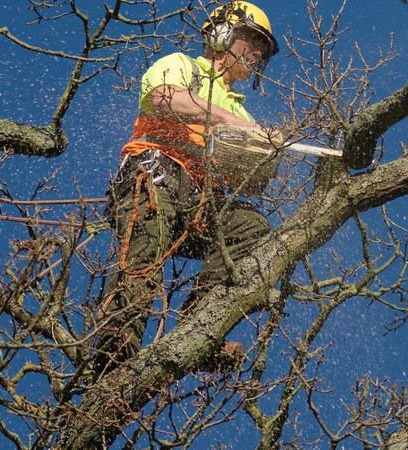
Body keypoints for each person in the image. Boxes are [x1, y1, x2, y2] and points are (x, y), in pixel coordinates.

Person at [94, 1, 280, 375]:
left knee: (251, 227)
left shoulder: (242, 111)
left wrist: (269, 150)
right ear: (222, 33)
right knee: (149, 240)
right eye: (252, 40)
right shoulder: (185, 67)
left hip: (200, 200)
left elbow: (251, 179)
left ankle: (200, 332)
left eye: (262, 48)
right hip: (157, 172)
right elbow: (162, 96)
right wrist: (228, 122)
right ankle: (118, 342)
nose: (257, 53)